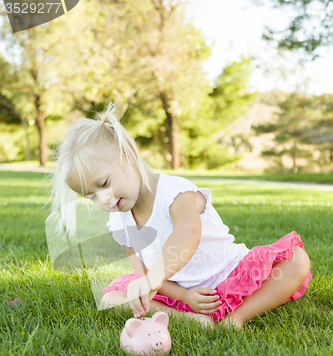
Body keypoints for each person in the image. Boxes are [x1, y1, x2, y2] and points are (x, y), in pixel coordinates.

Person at [47, 102, 312, 330]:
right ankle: (192, 320)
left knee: (296, 260)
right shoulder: (119, 218)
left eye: (103, 183)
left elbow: (187, 237)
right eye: (91, 196)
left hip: (228, 274)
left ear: (128, 152)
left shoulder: (175, 193)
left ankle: (237, 319)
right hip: (178, 290)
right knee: (114, 298)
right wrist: (183, 295)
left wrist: (152, 280)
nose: (102, 199)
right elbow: (143, 271)